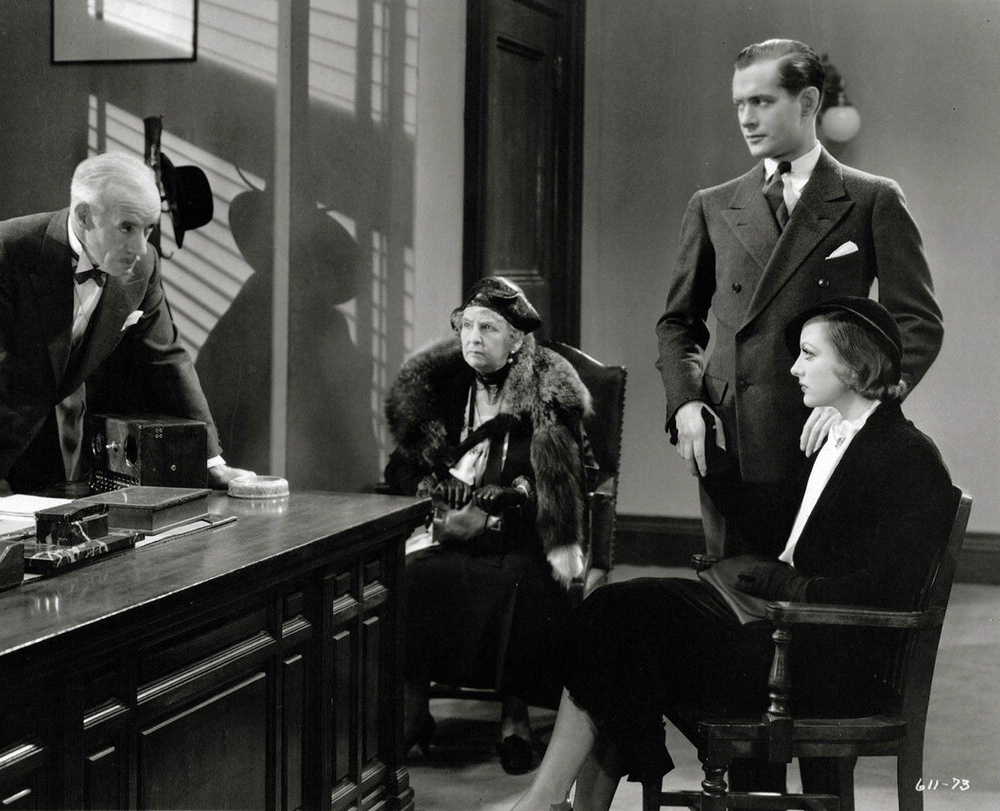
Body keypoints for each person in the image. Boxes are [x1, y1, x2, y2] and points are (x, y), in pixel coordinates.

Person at [511, 297, 954, 810]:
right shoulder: (839, 436)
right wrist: (708, 456)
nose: (794, 368)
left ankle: (548, 802)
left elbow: (889, 592)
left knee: (621, 629)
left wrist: (785, 587)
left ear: (856, 367)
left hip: (819, 659)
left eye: (809, 354)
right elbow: (780, 529)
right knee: (609, 611)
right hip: (786, 633)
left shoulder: (908, 459)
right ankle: (555, 802)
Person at [656, 39, 943, 559]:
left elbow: (918, 322)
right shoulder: (713, 206)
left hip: (824, 432)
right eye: (739, 104)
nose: (746, 118)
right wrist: (686, 402)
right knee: (734, 596)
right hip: (731, 439)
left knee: (810, 595)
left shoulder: (872, 197)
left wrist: (864, 405)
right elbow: (678, 323)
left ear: (808, 103)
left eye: (762, 101)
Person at [0, 152, 252, 507]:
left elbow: (168, 361)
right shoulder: (4, 248)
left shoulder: (144, 266)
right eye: (126, 228)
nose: (141, 248)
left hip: (61, 464)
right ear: (84, 216)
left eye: (149, 229)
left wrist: (210, 460)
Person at [384, 276, 597, 775]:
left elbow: (563, 487)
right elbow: (400, 469)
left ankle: (514, 716)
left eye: (489, 328)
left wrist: (503, 505)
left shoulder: (547, 394)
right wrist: (437, 489)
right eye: (467, 327)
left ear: (518, 339)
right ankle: (415, 712)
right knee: (413, 577)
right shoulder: (442, 388)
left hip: (522, 536)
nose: (473, 339)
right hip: (445, 532)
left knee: (519, 583)